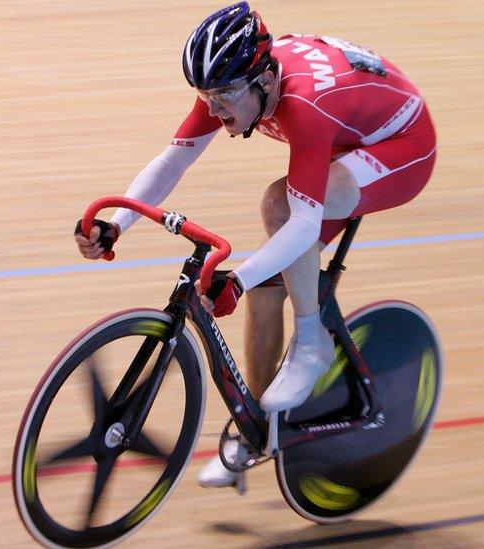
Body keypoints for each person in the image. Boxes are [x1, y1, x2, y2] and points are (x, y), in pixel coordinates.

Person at [75, 2, 436, 490]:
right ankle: (257, 432)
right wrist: (118, 225)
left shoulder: (304, 102)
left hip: (400, 145)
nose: (215, 110)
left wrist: (236, 279)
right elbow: (170, 163)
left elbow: (304, 222)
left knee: (279, 207)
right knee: (269, 285)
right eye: (206, 97)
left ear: (265, 81)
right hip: (341, 136)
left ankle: (312, 343)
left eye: (224, 97)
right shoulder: (236, 82)